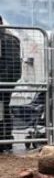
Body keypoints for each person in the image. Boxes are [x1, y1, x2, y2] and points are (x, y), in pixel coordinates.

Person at [0, 15, 21, 153]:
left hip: (3, 83)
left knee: (3, 110)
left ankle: (5, 138)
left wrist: (4, 82)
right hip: (5, 82)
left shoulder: (8, 40)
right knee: (3, 111)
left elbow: (12, 65)